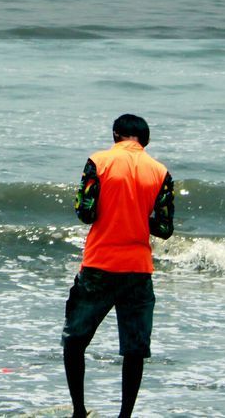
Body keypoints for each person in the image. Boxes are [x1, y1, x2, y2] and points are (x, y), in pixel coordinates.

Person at [62, 114, 175, 418]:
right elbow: (164, 227)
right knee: (134, 349)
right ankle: (124, 416)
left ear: (116, 135)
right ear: (144, 140)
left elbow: (85, 212)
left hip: (100, 264)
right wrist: (137, 217)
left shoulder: (98, 162)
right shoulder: (160, 171)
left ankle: (79, 411)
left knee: (75, 340)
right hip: (138, 269)